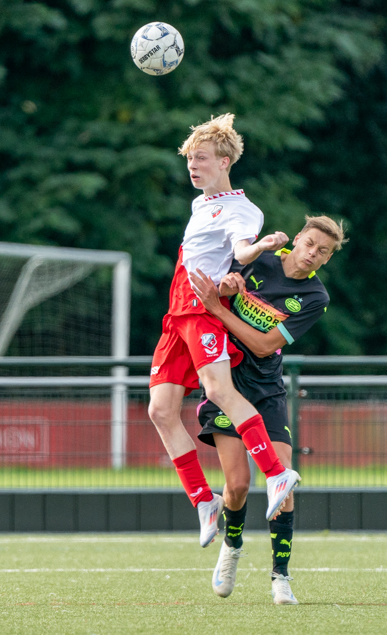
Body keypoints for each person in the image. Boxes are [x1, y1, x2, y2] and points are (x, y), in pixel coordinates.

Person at [148, 113, 301, 548]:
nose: (192, 166)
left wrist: (262, 246)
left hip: (201, 311)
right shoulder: (201, 204)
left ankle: (277, 473)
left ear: (226, 161)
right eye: (189, 159)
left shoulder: (243, 209)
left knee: (217, 390)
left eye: (201, 158)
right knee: (160, 410)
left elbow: (241, 249)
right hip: (176, 315)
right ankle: (203, 500)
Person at [189, 215, 345, 605]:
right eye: (310, 244)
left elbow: (263, 345)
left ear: (327, 259)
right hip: (226, 385)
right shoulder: (260, 257)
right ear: (298, 239)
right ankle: (232, 547)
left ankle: (281, 576)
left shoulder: (315, 298)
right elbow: (222, 283)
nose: (313, 254)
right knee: (238, 486)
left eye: (323, 252)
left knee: (283, 486)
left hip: (267, 391)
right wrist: (225, 289)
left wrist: (220, 310)